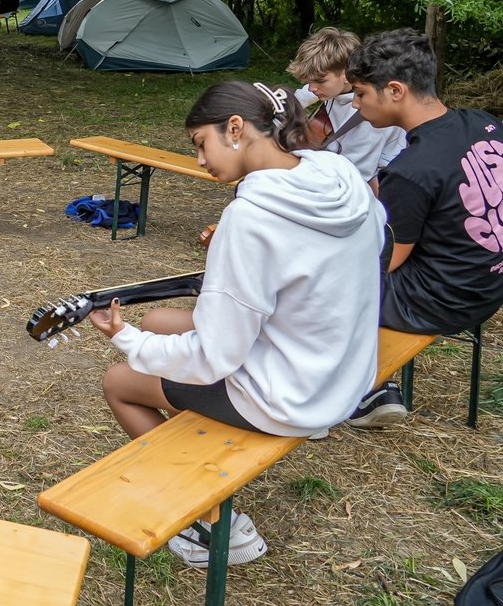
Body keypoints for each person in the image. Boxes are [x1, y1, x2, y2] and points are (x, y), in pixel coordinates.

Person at [87, 80, 384, 567]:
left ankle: (207, 521)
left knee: (120, 382)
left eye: (201, 143)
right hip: (345, 372)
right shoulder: (340, 179)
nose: (200, 160)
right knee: (162, 319)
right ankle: (199, 450)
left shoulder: (248, 218)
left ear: (235, 128)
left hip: (291, 397)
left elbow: (214, 357)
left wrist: (126, 337)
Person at [343, 28, 503, 427]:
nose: (356, 104)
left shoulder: (411, 171)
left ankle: (353, 393)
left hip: (443, 300)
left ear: (395, 91)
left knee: (320, 285)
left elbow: (382, 265)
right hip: (494, 280)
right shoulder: (482, 123)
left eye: (360, 93)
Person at [287, 26, 406, 191]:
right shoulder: (332, 87)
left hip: (372, 185)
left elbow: (354, 176)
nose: (312, 88)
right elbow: (299, 98)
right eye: (309, 81)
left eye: (319, 81)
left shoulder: (369, 114)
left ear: (346, 74)